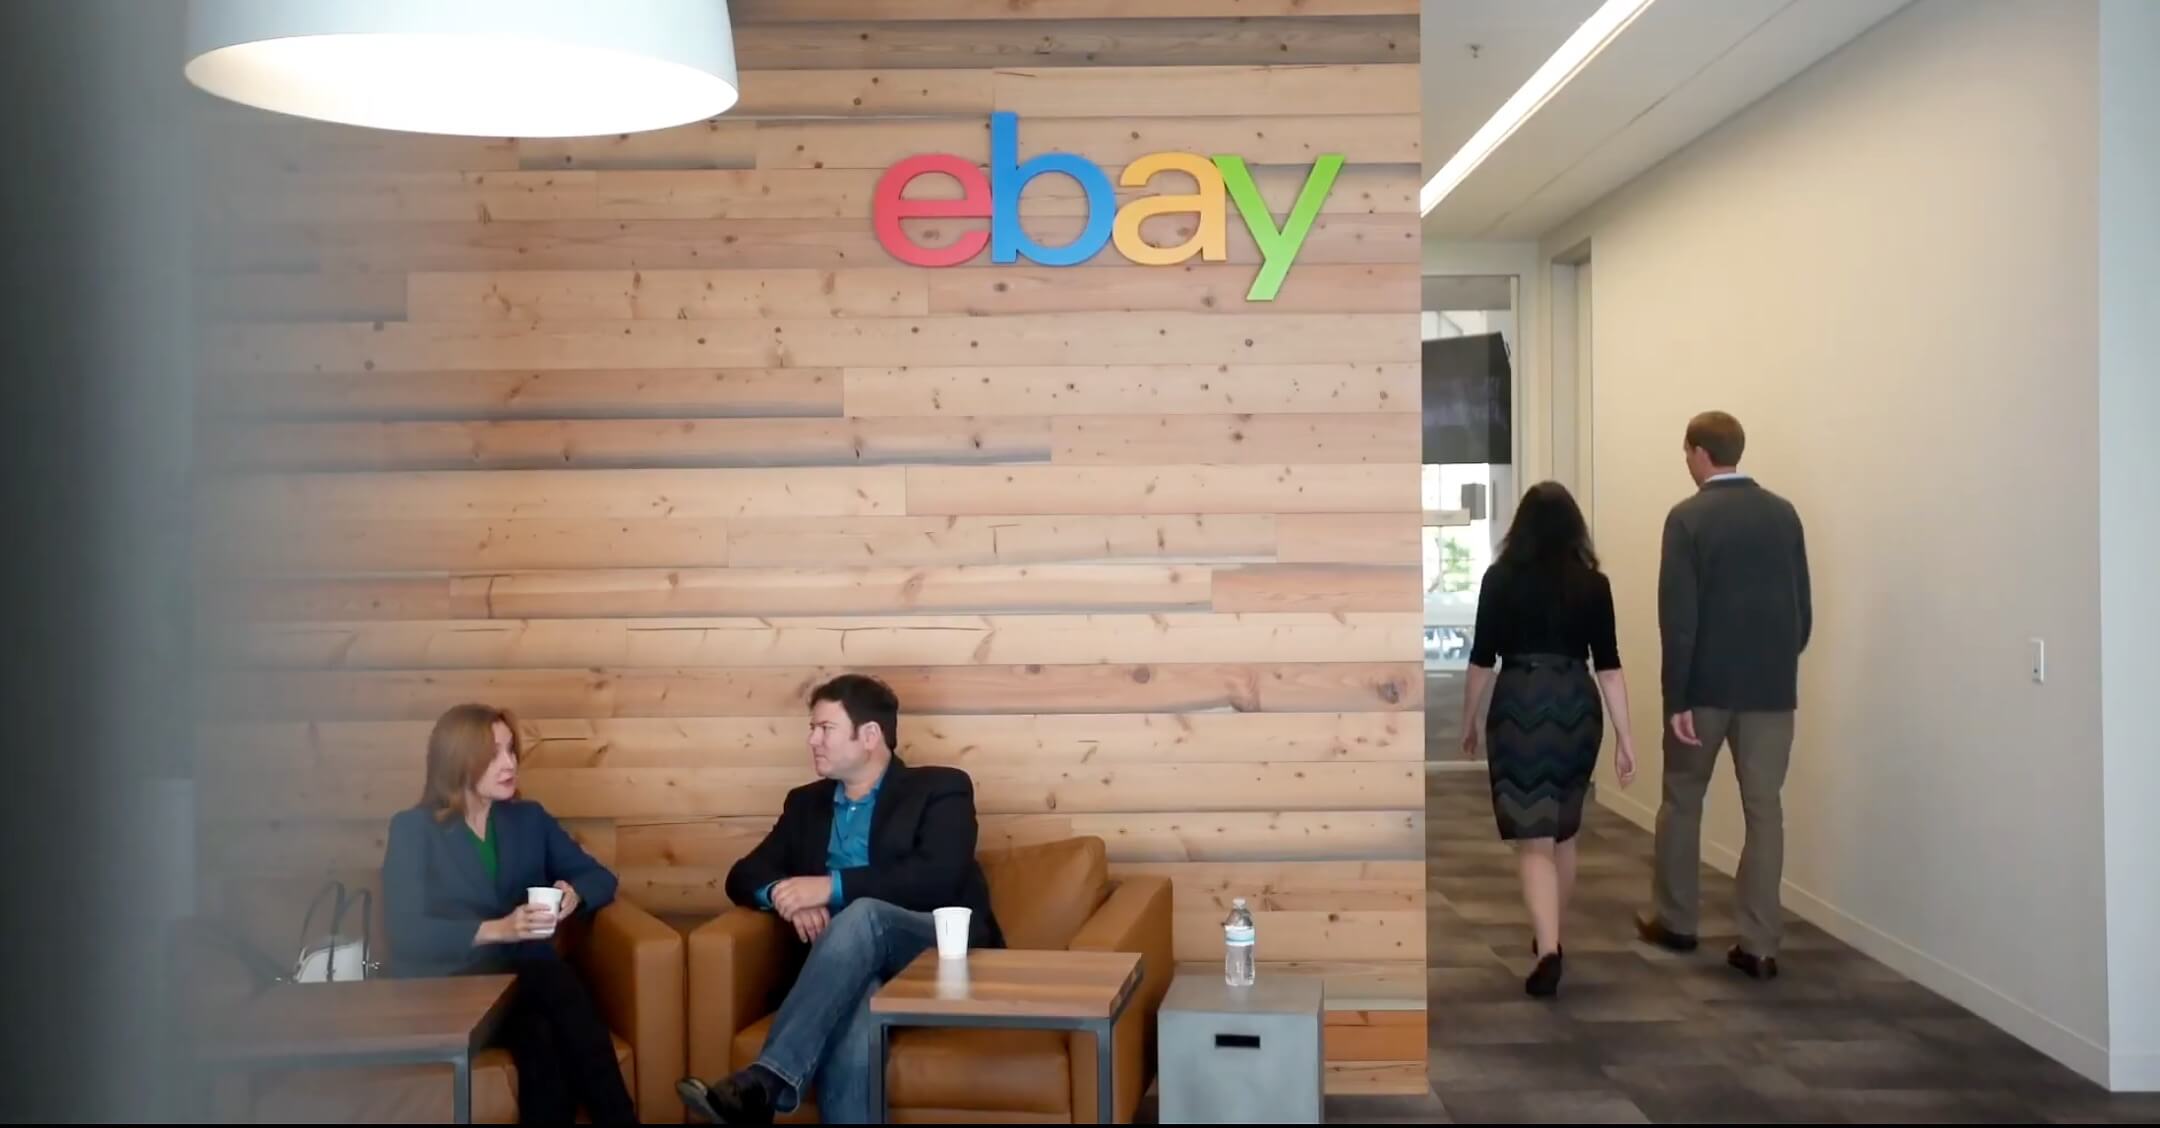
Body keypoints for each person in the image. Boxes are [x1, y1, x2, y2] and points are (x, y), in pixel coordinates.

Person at [677, 674, 1003, 1125]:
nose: (812, 740)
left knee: (864, 914)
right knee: (857, 1009)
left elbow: (937, 878)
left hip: (931, 947)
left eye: (825, 728)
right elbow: (744, 874)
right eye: (812, 728)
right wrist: (785, 894)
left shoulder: (940, 788)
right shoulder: (806, 804)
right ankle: (762, 1091)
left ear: (869, 736)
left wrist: (828, 887)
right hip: (844, 967)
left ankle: (767, 1081)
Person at [381, 704, 638, 1125]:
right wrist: (498, 929)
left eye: (511, 750)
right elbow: (406, 931)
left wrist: (574, 894)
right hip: (452, 988)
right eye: (493, 754)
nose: (509, 764)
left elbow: (599, 877)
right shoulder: (415, 829)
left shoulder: (528, 819)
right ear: (458, 760)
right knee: (552, 981)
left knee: (541, 1035)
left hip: (521, 989)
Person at [1637, 410, 1811, 981]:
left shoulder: (1687, 518)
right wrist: (1775, 663)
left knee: (1683, 798)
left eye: (1686, 453)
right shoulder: (1783, 514)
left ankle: (1677, 920)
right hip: (1771, 690)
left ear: (1698, 452)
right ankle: (1760, 944)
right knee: (1765, 811)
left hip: (1704, 690)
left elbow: (1678, 619)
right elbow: (1803, 612)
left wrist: (1676, 700)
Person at [1460, 481, 1636, 998]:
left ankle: (1548, 948)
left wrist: (1469, 719)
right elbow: (1608, 667)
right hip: (1577, 704)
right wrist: (1626, 737)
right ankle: (1550, 937)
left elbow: (1481, 659)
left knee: (1533, 838)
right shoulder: (1593, 585)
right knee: (1564, 830)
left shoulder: (1499, 579)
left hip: (1520, 702)